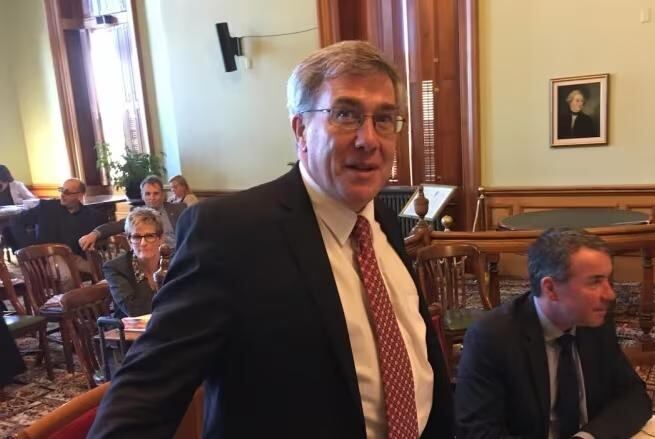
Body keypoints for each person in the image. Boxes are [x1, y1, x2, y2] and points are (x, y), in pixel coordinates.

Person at [87, 41, 453, 438]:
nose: (369, 139)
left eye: (384, 119)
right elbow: (146, 391)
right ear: (301, 129)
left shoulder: (378, 220)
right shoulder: (229, 233)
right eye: (345, 114)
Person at [455, 228, 651, 439]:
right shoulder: (492, 336)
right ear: (550, 289)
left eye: (607, 280)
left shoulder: (595, 322)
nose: (610, 294)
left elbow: (635, 396)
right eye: (595, 281)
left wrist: (588, 437)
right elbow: (478, 432)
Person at [11, 178, 107, 274]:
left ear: (80, 195)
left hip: (76, 256)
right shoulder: (46, 208)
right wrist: (29, 247)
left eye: (67, 192)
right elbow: (16, 221)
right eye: (62, 190)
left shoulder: (92, 216)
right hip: (50, 255)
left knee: (104, 271)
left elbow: (101, 243)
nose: (62, 195)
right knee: (67, 276)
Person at [79, 175, 185, 251]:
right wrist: (95, 234)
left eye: (156, 193)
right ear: (142, 196)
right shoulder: (137, 214)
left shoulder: (178, 209)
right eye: (147, 194)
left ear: (162, 194)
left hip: (178, 254)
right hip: (152, 257)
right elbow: (117, 225)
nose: (152, 198)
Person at [103, 208, 162, 319]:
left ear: (160, 238)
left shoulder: (173, 261)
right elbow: (136, 311)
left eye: (150, 236)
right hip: (130, 332)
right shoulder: (115, 268)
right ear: (129, 241)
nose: (143, 243)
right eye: (137, 237)